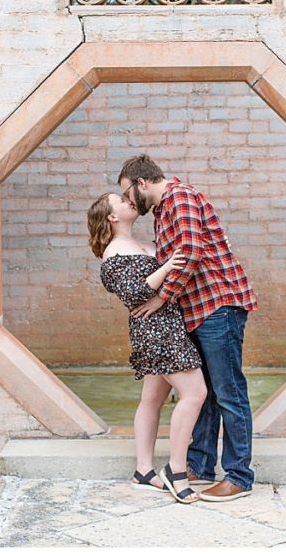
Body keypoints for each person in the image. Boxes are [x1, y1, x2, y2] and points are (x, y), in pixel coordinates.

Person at [117, 154, 258, 502]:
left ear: (143, 182)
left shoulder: (179, 197)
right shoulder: (164, 210)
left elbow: (191, 252)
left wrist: (161, 298)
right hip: (198, 312)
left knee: (229, 393)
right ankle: (200, 464)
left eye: (127, 192)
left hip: (218, 307)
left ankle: (239, 476)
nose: (129, 200)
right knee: (204, 394)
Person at [88, 192, 207, 504]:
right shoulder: (113, 252)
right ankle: (177, 471)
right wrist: (167, 266)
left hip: (169, 321)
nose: (129, 201)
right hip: (155, 329)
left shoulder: (142, 241)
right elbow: (134, 294)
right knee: (195, 393)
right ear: (111, 216)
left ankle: (143, 470)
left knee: (152, 398)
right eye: (120, 201)